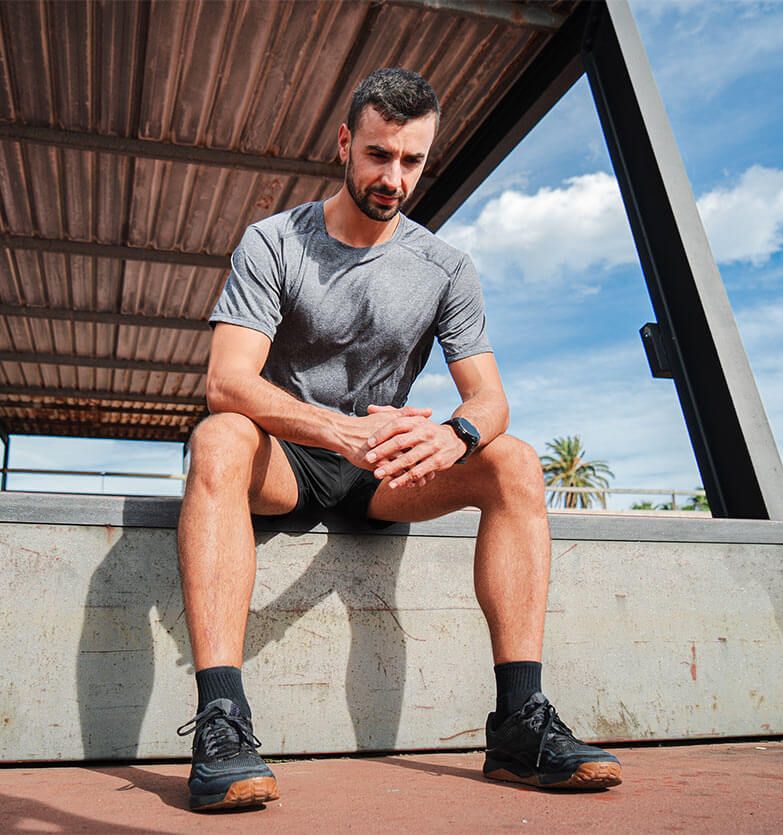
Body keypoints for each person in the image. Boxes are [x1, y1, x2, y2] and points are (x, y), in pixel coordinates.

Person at [175, 68, 622, 811]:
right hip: (286, 457)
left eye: (412, 160)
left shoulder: (445, 266)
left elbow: (491, 396)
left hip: (382, 473)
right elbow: (228, 380)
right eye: (380, 155)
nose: (394, 176)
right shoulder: (276, 242)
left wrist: (457, 434)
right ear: (346, 143)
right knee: (220, 435)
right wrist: (340, 431)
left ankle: (518, 721)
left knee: (510, 458)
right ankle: (223, 720)